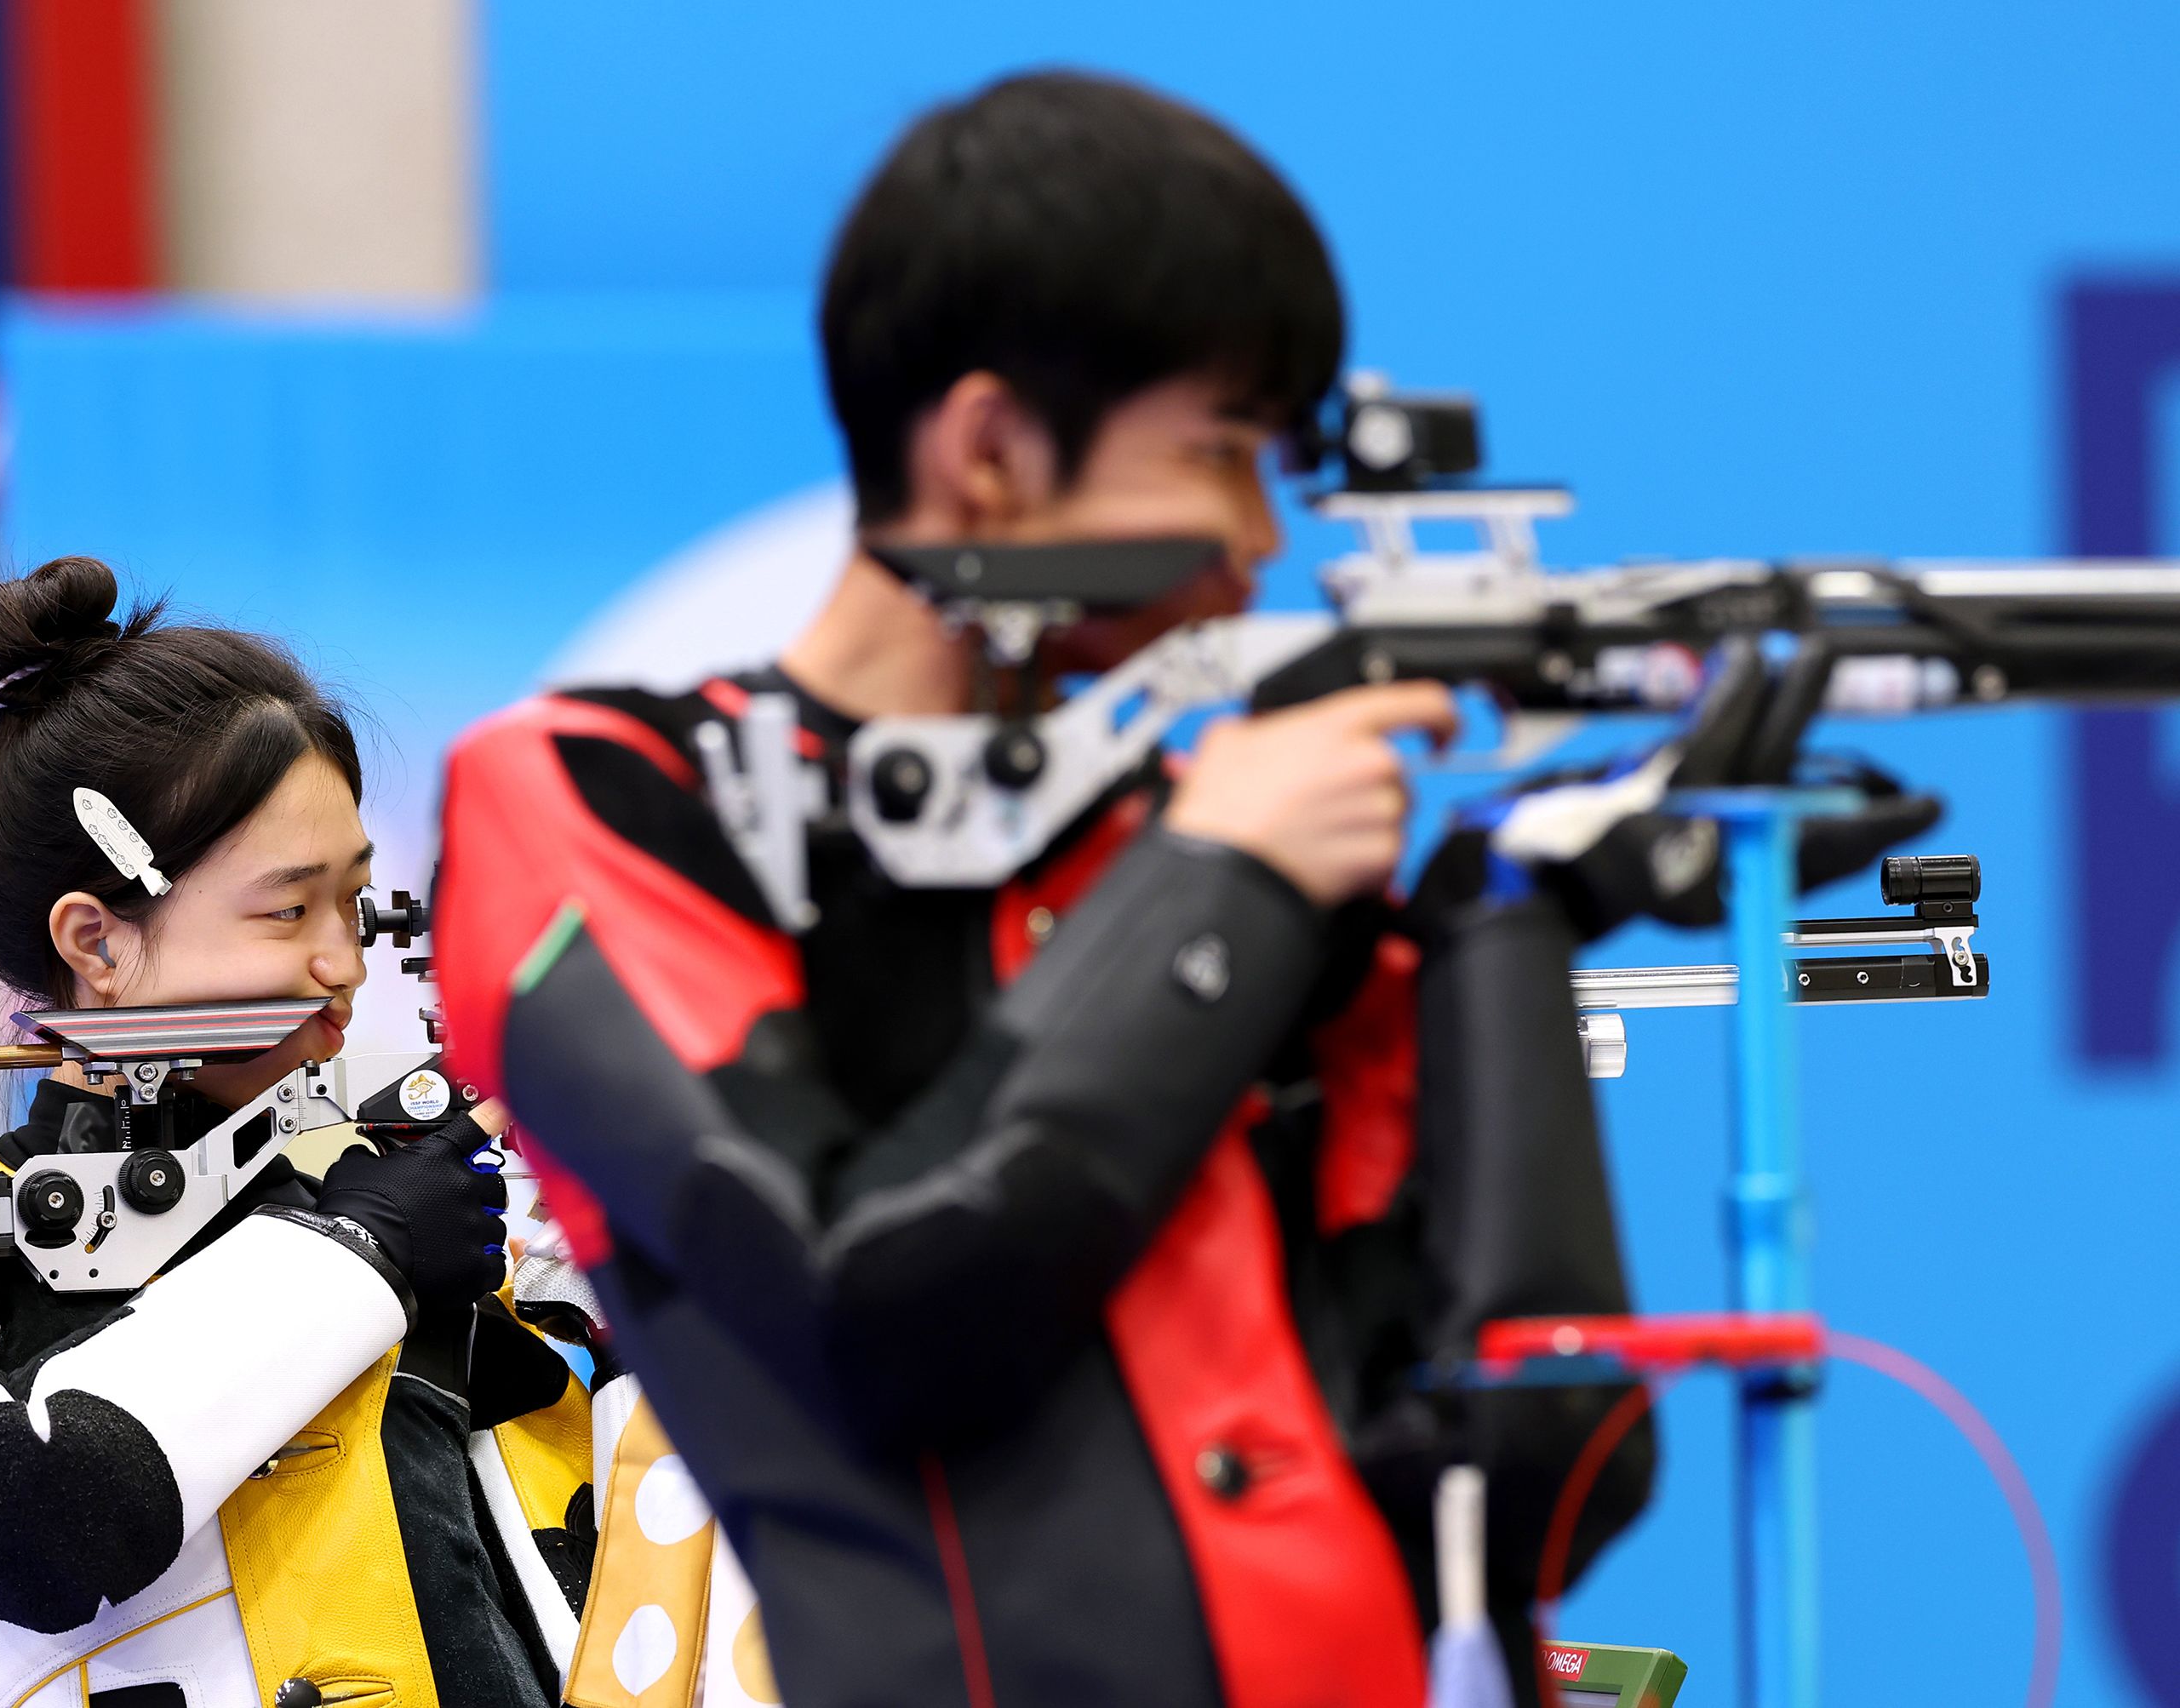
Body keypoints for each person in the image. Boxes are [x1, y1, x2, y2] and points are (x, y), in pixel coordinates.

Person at [436, 74, 1928, 1707]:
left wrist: (1508, 925)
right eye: (1217, 454)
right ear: (991, 450)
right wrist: (1219, 881)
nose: (1254, 542)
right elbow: (873, 1314)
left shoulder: (1204, 856)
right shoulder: (598, 794)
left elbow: (1540, 1479)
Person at [0, 558, 591, 1708]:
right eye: (288, 910)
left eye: (356, 905)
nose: (343, 966)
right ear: (95, 945)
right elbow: (27, 1516)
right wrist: (362, 1259)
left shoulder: (419, 1200)